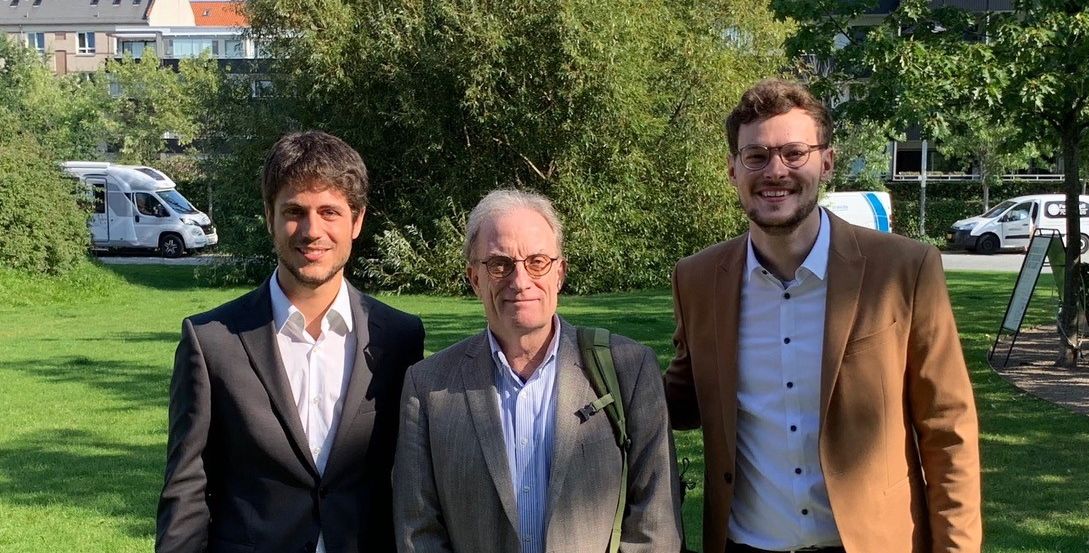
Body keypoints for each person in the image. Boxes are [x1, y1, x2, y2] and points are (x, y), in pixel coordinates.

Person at [664, 79, 981, 553]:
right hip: (744, 545)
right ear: (732, 169)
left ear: (826, 162)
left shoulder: (903, 270)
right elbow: (683, 399)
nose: (775, 171)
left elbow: (947, 427)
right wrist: (582, 374)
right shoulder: (697, 279)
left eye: (794, 153)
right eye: (756, 156)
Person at [156, 131, 425, 553]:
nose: (312, 230)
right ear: (270, 217)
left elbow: (414, 482)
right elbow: (186, 492)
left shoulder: (400, 339)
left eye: (330, 212)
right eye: (295, 211)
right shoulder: (211, 343)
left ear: (357, 221)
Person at [392, 189, 683, 553]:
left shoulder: (629, 368)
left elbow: (655, 525)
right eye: (500, 264)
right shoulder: (428, 386)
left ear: (560, 272)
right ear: (474, 278)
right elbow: (418, 530)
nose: (520, 281)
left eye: (537, 262)